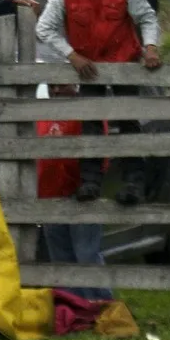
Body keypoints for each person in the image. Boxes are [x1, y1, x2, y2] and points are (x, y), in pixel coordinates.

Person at [35, 0, 161, 205]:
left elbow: (146, 16)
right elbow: (44, 28)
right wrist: (71, 55)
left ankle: (133, 184)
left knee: (129, 122)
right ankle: (90, 182)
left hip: (124, 61)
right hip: (89, 67)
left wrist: (151, 47)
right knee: (90, 124)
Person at [37, 82, 114, 301]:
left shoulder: (87, 112)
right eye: (52, 87)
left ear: (75, 84)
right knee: (61, 258)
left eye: (62, 85)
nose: (56, 90)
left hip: (81, 196)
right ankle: (72, 310)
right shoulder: (40, 114)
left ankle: (102, 306)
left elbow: (100, 156)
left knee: (86, 255)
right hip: (49, 196)